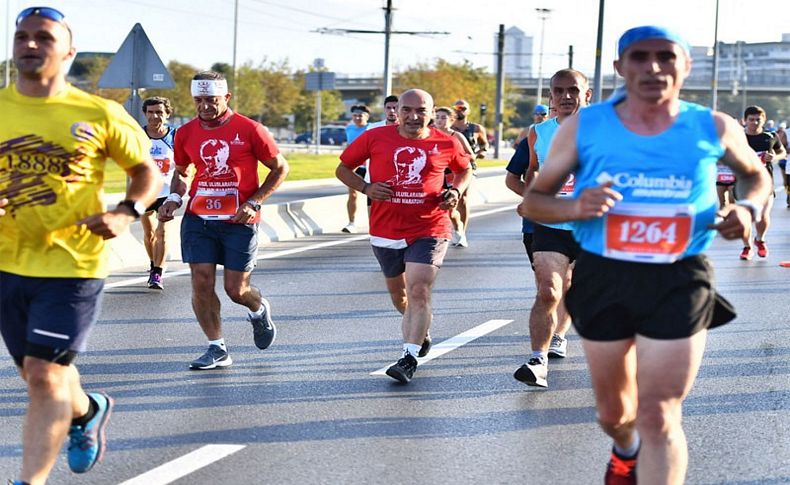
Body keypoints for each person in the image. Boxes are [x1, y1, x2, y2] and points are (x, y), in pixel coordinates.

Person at [519, 26, 771, 484]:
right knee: (616, 413)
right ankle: (625, 448)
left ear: (686, 66)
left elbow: (757, 176)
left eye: (665, 56)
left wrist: (749, 209)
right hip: (605, 274)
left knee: (659, 414)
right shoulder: (585, 127)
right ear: (620, 68)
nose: (653, 67)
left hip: (679, 275)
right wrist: (577, 206)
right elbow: (533, 202)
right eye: (639, 57)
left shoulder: (711, 125)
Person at [0, 7, 162, 484]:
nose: (31, 45)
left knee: (46, 377)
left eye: (44, 38)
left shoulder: (97, 114)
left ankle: (28, 481)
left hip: (73, 263)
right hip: (8, 263)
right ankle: (89, 409)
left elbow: (146, 171)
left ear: (68, 51)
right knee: (38, 374)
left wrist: (126, 212)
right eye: (22, 36)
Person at [336, 89, 472, 384]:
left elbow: (465, 170)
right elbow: (343, 168)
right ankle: (421, 331)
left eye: (421, 111)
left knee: (419, 289)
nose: (413, 116)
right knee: (400, 297)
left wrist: (455, 191)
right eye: (406, 110)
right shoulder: (375, 137)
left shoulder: (446, 142)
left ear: (432, 112)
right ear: (397, 111)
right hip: (385, 230)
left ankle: (408, 357)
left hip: (430, 227)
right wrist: (366, 188)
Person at [158, 70, 289, 370]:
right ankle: (217, 348)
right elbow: (182, 172)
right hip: (199, 219)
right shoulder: (187, 133)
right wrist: (174, 198)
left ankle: (258, 309)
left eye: (212, 100)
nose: (205, 106)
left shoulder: (251, 129)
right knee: (201, 281)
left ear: (226, 98)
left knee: (236, 290)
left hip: (238, 220)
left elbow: (280, 168)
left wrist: (254, 202)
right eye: (199, 100)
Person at [513, 69, 592, 388]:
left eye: (573, 90)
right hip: (551, 223)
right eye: (558, 91)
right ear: (550, 96)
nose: (566, 96)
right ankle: (537, 360)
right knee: (548, 290)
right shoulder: (538, 132)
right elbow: (531, 171)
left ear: (587, 95)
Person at [740, 106, 786, 259]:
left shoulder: (771, 135)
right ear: (745, 120)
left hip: (765, 183)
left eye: (758, 119)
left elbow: (782, 152)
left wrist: (774, 157)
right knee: (745, 217)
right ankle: (747, 247)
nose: (754, 123)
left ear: (764, 120)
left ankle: (760, 239)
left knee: (763, 215)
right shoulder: (737, 137)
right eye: (751, 120)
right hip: (743, 183)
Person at [141, 96, 177, 289]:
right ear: (145, 114)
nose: (155, 116)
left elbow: (184, 164)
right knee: (149, 235)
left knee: (162, 233)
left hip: (166, 193)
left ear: (167, 114)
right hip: (144, 192)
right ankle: (153, 263)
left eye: (159, 112)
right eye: (151, 112)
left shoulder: (174, 136)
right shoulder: (138, 136)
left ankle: (157, 273)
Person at [434, 106, 475, 247]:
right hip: (435, 174)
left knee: (451, 210)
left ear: (451, 120)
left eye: (443, 118)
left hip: (454, 173)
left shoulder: (456, 136)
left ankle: (459, 230)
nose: (439, 120)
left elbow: (471, 155)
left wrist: (453, 160)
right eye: (437, 117)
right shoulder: (429, 133)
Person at [451, 99, 488, 247]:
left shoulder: (476, 128)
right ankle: (455, 227)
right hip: (447, 167)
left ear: (468, 111)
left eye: (462, 108)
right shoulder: (447, 127)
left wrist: (480, 152)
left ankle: (462, 234)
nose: (459, 110)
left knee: (463, 198)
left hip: (467, 166)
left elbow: (484, 145)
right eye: (456, 107)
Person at [341, 104, 370, 233]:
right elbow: (348, 146)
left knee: (374, 196)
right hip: (355, 166)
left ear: (367, 117)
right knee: (352, 194)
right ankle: (351, 223)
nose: (357, 118)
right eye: (355, 115)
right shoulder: (349, 129)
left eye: (360, 115)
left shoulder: (371, 128)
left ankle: (375, 223)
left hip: (370, 166)